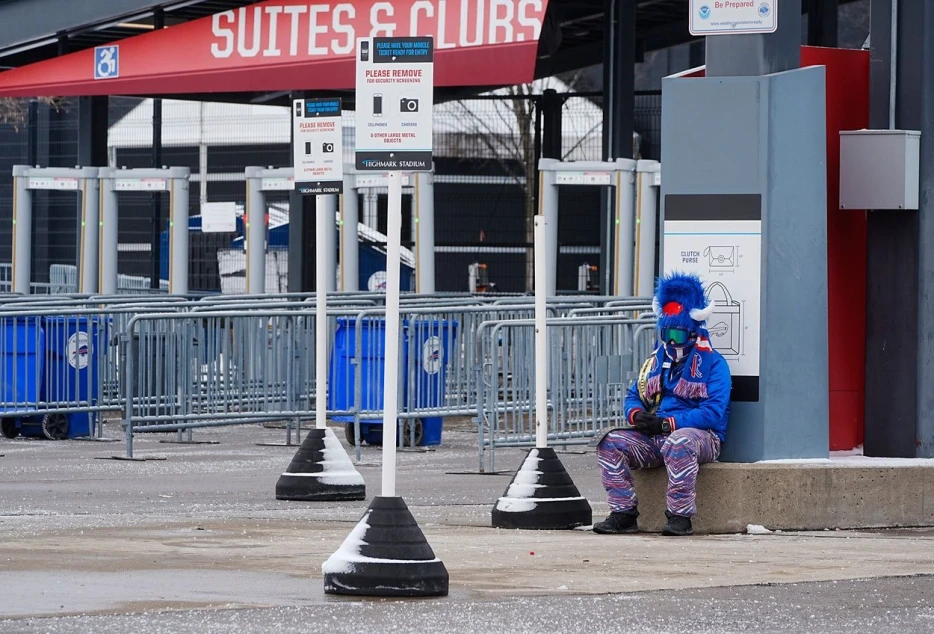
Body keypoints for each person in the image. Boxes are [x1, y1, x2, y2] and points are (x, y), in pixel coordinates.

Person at [593, 272, 731, 536]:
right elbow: (635, 395)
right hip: (658, 434)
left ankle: (680, 516)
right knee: (609, 442)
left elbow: (712, 413)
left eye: (677, 336)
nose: (670, 342)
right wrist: (636, 416)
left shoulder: (714, 364)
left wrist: (669, 423)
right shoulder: (656, 361)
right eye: (665, 333)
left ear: (692, 333)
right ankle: (623, 513)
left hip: (702, 437)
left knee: (679, 442)